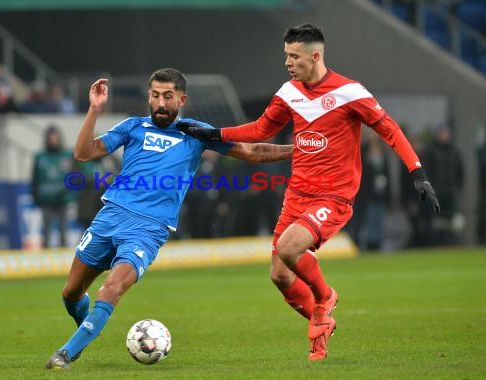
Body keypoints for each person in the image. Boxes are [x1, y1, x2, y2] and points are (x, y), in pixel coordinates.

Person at [177, 24, 441, 361]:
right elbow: (261, 129)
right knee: (279, 274)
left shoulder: (350, 93)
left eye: (294, 56)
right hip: (297, 194)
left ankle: (325, 297)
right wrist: (214, 134)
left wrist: (417, 173)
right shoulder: (289, 92)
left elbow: (390, 130)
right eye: (286, 55)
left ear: (315, 56)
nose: (287, 62)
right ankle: (321, 331)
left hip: (334, 196)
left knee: (289, 248)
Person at [44, 68, 293, 370]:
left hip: (148, 229)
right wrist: (95, 109)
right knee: (71, 293)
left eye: (168, 96)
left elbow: (252, 152)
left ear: (181, 99)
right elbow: (84, 154)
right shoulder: (132, 127)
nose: (160, 103)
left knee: (110, 289)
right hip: (110, 216)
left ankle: (65, 354)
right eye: (155, 95)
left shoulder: (196, 133)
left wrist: (299, 149)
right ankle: (87, 331)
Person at [31, 125, 75, 247]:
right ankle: (46, 256)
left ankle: (65, 258)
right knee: (46, 231)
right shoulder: (40, 157)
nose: (53, 140)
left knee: (63, 231)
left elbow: (74, 176)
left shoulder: (66, 155)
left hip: (62, 199)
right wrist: (35, 196)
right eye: (51, 137)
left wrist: (72, 194)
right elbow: (35, 178)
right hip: (46, 199)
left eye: (55, 137)